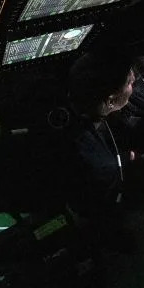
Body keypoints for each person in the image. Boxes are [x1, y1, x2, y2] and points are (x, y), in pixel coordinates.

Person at [56, 50, 137, 221]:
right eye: (130, 82)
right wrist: (122, 162)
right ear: (111, 100)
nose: (134, 80)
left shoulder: (65, 103)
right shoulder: (103, 167)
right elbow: (96, 210)